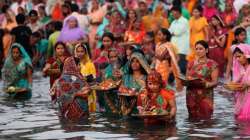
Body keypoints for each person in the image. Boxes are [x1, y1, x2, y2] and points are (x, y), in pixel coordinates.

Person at [50, 56, 90, 121]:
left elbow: (86, 92)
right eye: (78, 64)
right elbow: (61, 96)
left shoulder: (80, 78)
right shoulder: (62, 80)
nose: (80, 66)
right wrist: (77, 94)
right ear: (73, 65)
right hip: (69, 112)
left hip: (81, 111)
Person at [186, 40, 219, 119]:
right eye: (196, 49)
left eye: (200, 49)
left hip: (205, 95)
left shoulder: (212, 64)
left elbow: (215, 82)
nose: (198, 51)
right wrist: (185, 82)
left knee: (206, 118)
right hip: (191, 94)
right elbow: (187, 78)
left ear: (206, 50)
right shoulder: (191, 63)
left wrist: (206, 84)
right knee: (192, 119)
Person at [74, 43, 97, 112]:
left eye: (82, 51)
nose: (80, 53)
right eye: (78, 51)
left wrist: (84, 78)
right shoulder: (73, 64)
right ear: (75, 52)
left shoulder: (90, 64)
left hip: (89, 91)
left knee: (90, 112)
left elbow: (93, 77)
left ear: (85, 52)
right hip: (77, 92)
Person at [169, 6, 190, 75]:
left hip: (182, 49)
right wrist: (172, 33)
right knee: (174, 66)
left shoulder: (184, 21)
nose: (172, 15)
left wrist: (172, 33)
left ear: (178, 12)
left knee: (181, 67)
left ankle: (183, 83)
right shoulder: (174, 22)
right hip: (174, 48)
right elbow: (169, 32)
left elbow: (177, 32)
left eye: (173, 13)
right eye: (172, 13)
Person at [231, 44, 250, 121]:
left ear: (246, 55)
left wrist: (247, 84)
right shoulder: (240, 69)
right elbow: (235, 82)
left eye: (239, 56)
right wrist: (232, 85)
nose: (237, 59)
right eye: (236, 57)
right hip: (241, 99)